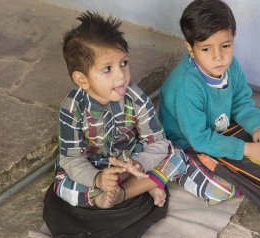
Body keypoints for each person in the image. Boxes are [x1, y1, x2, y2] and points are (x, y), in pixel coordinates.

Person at [43, 11, 188, 237]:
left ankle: (124, 193)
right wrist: (97, 179)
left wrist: (138, 165)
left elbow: (157, 143)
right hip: (91, 167)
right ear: (82, 79)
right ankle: (106, 195)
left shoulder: (136, 98)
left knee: (177, 156)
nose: (121, 76)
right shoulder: (72, 108)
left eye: (124, 63)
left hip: (131, 161)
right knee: (62, 185)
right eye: (107, 69)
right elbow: (71, 158)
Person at [159, 0, 260, 205]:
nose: (218, 57)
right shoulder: (186, 86)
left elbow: (241, 101)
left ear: (233, 39)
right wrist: (248, 150)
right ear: (191, 49)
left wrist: (257, 126)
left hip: (219, 129)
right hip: (187, 143)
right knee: (224, 189)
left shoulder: (231, 65)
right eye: (206, 49)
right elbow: (199, 139)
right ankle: (178, 172)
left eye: (225, 46)